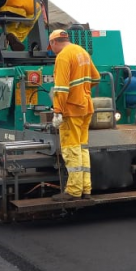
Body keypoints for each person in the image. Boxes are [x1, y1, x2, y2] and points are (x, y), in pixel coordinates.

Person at [48, 29, 101, 201]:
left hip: (71, 110)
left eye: (51, 45)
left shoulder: (63, 56)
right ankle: (86, 189)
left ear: (54, 42)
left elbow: (61, 88)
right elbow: (96, 78)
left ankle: (73, 191)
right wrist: (82, 92)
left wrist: (57, 111)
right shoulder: (82, 51)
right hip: (86, 107)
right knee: (82, 148)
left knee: (71, 149)